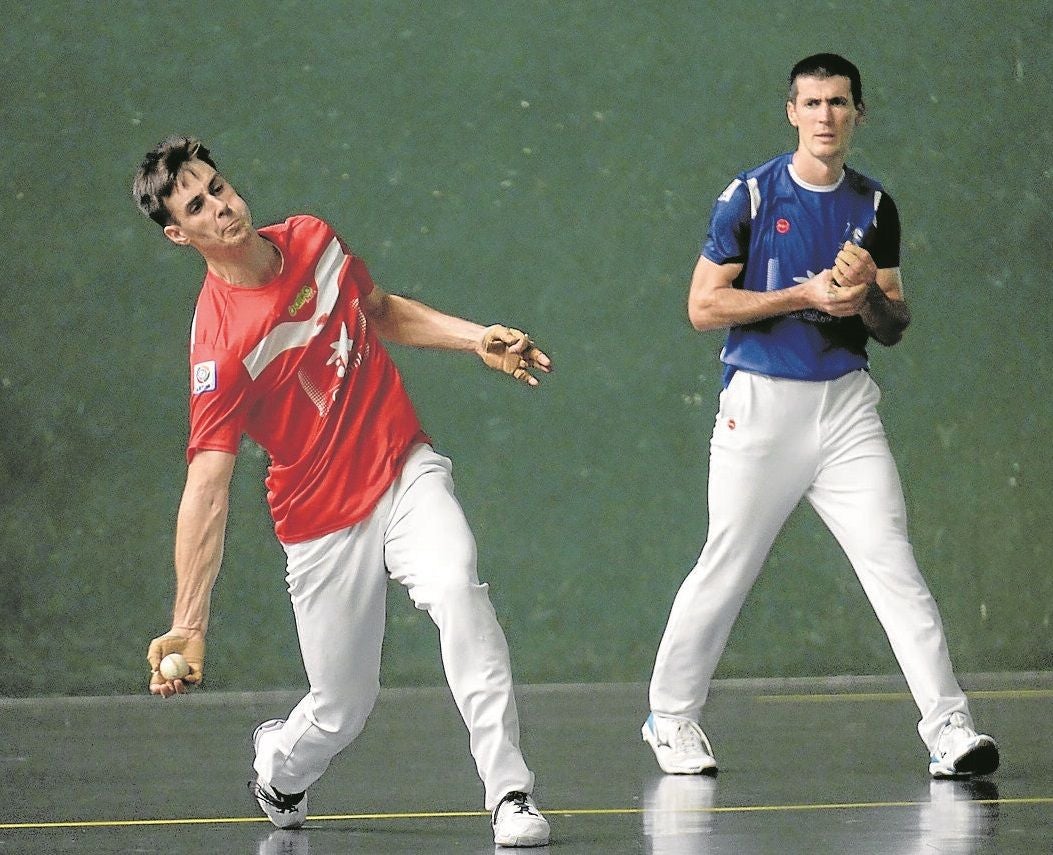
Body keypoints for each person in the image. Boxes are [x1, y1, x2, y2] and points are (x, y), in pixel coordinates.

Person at [132, 135, 551, 848]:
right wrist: (190, 620)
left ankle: (510, 792)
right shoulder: (220, 345)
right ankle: (279, 766)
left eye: (219, 187)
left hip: (401, 468)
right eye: (197, 206)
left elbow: (379, 310)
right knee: (342, 706)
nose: (221, 206)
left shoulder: (313, 239)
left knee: (456, 587)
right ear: (180, 234)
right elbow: (207, 481)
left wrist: (474, 337)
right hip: (320, 521)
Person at [642, 54, 999, 781]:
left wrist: (866, 292)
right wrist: (801, 293)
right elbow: (702, 306)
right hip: (760, 406)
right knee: (726, 565)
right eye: (811, 103)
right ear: (791, 111)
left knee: (892, 561)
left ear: (857, 114)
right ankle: (671, 718)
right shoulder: (747, 196)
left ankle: (948, 725)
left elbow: (892, 324)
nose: (825, 116)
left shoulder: (874, 208)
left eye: (838, 103)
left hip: (844, 411)